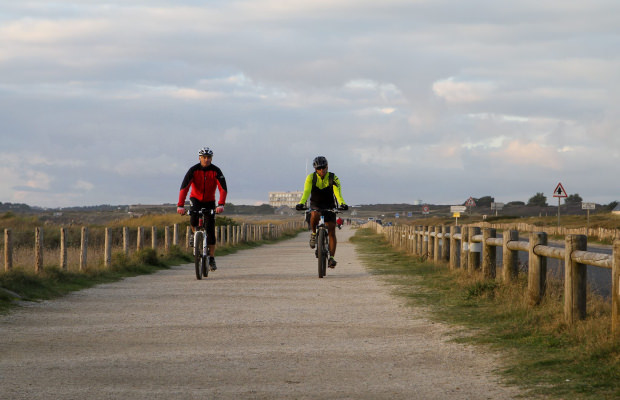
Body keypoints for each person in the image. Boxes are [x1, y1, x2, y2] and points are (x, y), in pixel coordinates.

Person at [177, 147, 227, 271]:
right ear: (199, 158)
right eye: (204, 157)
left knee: (210, 230)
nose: (206, 159)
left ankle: (211, 258)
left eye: (208, 157)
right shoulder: (193, 170)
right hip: (196, 199)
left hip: (210, 201)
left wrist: (220, 205)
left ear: (211, 158)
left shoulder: (216, 171)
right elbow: (184, 188)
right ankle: (195, 235)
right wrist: (180, 205)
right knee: (193, 221)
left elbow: (223, 189)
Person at [296, 156, 348, 268]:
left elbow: (338, 193)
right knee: (314, 214)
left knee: (331, 231)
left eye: (323, 168)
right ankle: (314, 234)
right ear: (315, 169)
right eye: (318, 169)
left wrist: (342, 203)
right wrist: (301, 203)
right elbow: (306, 191)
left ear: (327, 166)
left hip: (329, 205)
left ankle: (332, 258)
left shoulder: (333, 177)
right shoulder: (311, 178)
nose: (321, 170)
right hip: (316, 204)